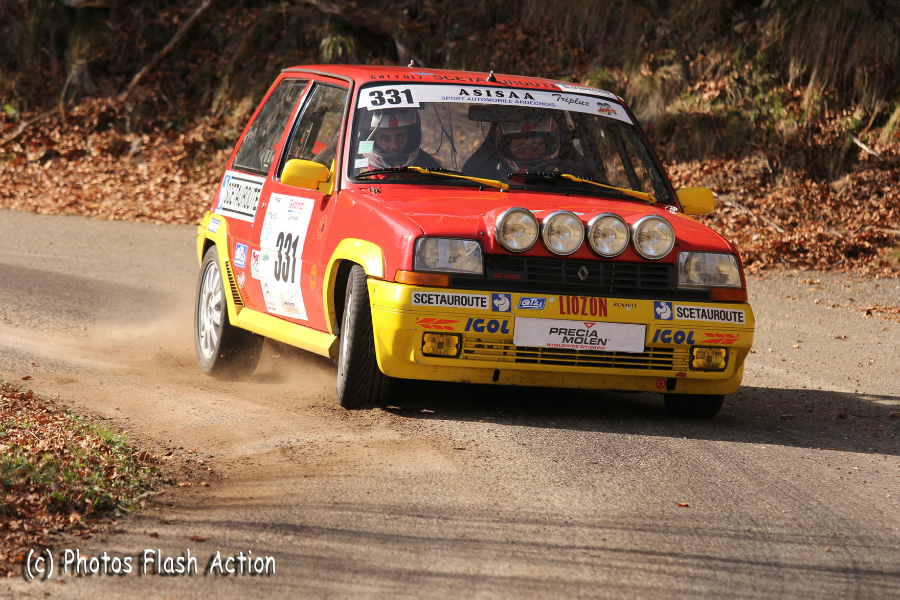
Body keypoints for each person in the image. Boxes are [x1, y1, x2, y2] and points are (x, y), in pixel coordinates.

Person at [362, 107, 441, 170]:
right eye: (385, 138)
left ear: (410, 138)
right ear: (373, 141)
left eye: (400, 136)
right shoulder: (355, 173)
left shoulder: (430, 169)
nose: (394, 146)